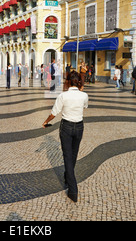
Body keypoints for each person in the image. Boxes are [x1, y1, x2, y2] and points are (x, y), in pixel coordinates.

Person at [42, 71, 89, 203]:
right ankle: (67, 176)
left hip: (67, 127)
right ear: (78, 82)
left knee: (68, 157)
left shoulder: (63, 96)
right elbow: (84, 106)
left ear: (67, 81)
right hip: (79, 127)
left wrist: (45, 122)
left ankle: (73, 190)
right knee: (73, 155)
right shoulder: (84, 95)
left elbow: (54, 113)